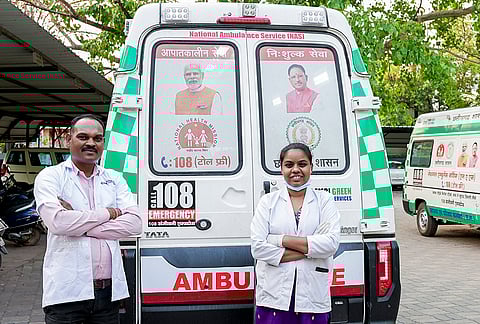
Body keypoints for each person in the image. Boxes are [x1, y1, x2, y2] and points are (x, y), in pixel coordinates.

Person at [34, 114, 142, 324]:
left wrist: (79, 224)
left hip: (108, 293)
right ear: (69, 139)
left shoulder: (113, 178)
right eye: (83, 137)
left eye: (97, 138)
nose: (91, 143)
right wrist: (108, 213)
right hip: (67, 294)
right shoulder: (51, 176)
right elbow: (57, 222)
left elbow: (136, 223)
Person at [251, 143, 340, 324]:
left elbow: (331, 244)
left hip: (312, 295)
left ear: (311, 167)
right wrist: (311, 248)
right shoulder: (268, 202)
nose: (296, 170)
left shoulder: (324, 201)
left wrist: (278, 239)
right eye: (289, 165)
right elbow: (258, 248)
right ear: (281, 168)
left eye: (302, 164)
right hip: (274, 294)